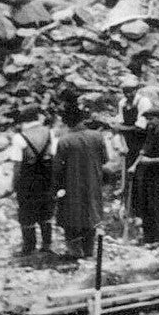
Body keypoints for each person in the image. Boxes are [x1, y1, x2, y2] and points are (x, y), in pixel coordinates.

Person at [51, 100, 109, 259]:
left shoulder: (65, 141)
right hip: (93, 183)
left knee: (71, 217)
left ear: (67, 123)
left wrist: (56, 188)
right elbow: (105, 159)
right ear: (82, 120)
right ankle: (89, 251)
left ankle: (75, 252)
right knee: (91, 215)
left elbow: (57, 169)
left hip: (72, 185)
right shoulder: (97, 136)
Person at [10, 103, 55, 255]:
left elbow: (17, 165)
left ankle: (29, 246)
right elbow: (53, 155)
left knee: (26, 212)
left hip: (27, 179)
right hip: (46, 177)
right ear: (37, 117)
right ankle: (47, 244)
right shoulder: (49, 132)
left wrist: (13, 185)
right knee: (46, 209)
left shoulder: (19, 137)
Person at [130, 108, 159, 247]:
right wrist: (134, 165)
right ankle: (149, 237)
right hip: (149, 176)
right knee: (147, 205)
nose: (149, 122)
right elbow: (144, 151)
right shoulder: (152, 133)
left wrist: (149, 161)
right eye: (147, 119)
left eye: (151, 119)